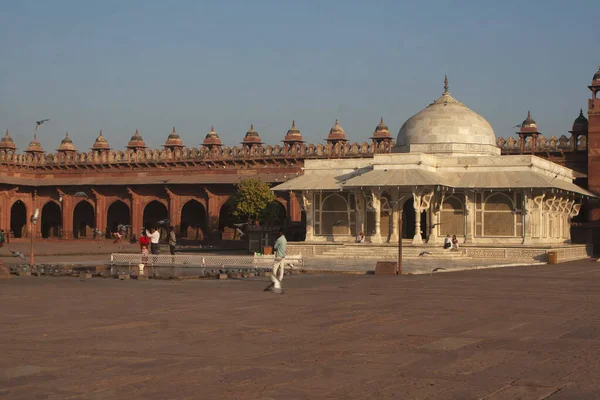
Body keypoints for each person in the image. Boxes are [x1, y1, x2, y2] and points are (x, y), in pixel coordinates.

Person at [265, 229, 287, 294]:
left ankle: (274, 279)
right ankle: (280, 278)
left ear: (280, 233)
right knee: (281, 267)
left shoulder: (279, 239)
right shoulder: (285, 239)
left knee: (274, 267)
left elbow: (275, 247)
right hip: (283, 256)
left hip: (278, 255)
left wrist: (276, 243)